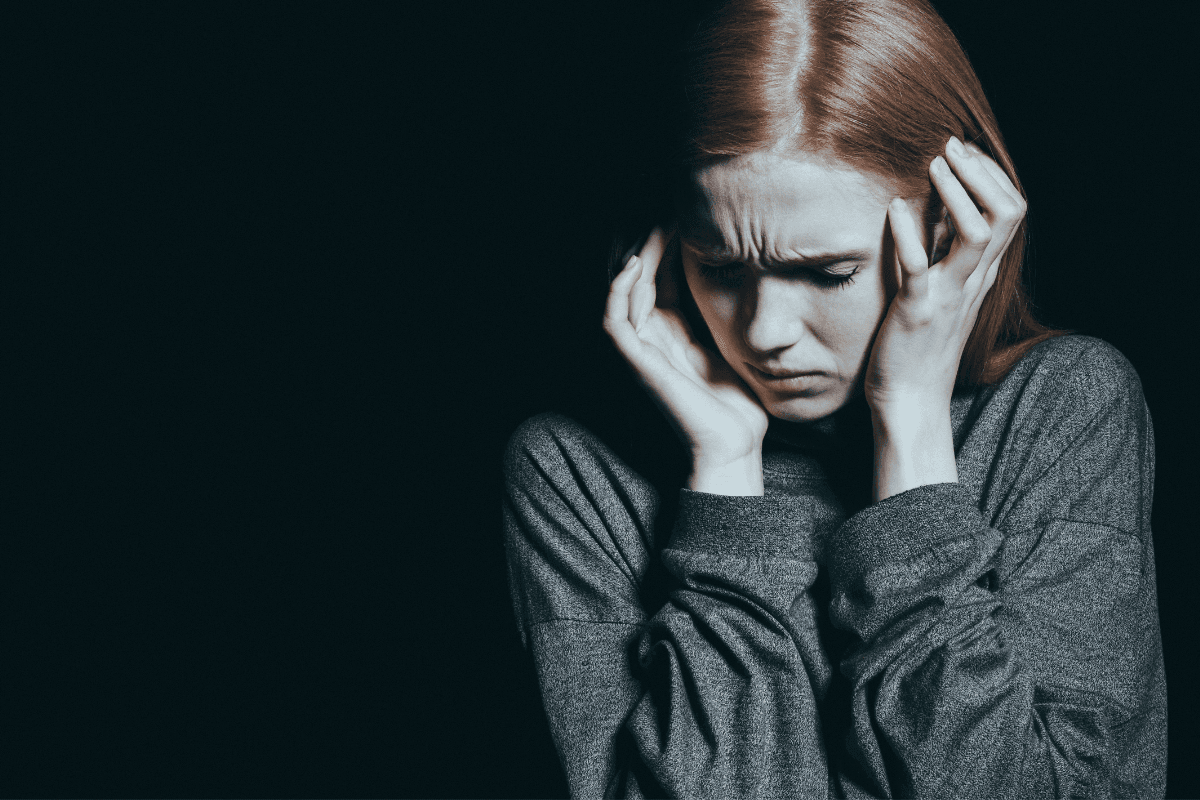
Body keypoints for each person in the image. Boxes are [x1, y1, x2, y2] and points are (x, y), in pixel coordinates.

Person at [501, 0, 1167, 796]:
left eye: (826, 273)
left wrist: (911, 430)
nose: (765, 331)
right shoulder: (576, 471)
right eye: (720, 268)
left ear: (954, 229)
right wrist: (726, 477)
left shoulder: (1061, 409)